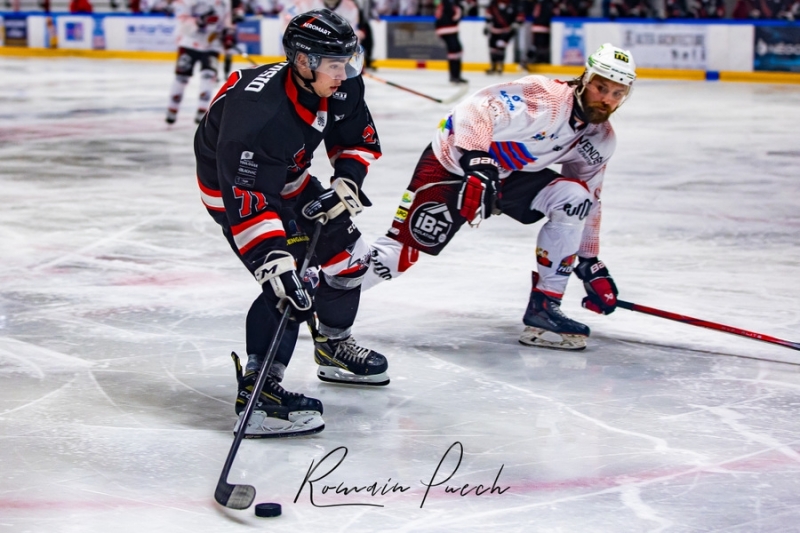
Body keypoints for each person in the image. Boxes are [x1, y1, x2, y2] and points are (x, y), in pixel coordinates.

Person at [363, 43, 637, 351]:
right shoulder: (544, 99)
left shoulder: (599, 138)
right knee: (397, 257)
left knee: (574, 198)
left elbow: (591, 199)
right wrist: (477, 160)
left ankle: (545, 307)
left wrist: (589, 262)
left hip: (509, 174)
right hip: (454, 161)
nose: (606, 100)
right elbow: (476, 108)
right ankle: (325, 292)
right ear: (586, 79)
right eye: (601, 88)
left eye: (617, 94)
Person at [194, 8, 389, 438]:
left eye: (348, 61)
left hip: (291, 179)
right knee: (290, 284)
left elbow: (355, 138)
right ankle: (261, 391)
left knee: (351, 261)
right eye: (336, 65)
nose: (346, 73)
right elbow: (249, 199)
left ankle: (334, 347)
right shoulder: (257, 117)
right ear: (303, 62)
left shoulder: (338, 83)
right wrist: (272, 259)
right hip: (236, 195)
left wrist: (347, 182)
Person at [165, 0, 233, 125]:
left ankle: (202, 110)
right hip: (189, 42)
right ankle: (172, 108)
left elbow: (226, 20)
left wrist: (228, 33)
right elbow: (182, 20)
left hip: (212, 44)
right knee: (182, 77)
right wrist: (200, 21)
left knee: (208, 76)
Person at [484, 0, 524, 75]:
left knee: (501, 46)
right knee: (492, 48)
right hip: (494, 30)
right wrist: (487, 26)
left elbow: (520, 17)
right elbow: (489, 14)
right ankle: (493, 66)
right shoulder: (494, 3)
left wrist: (514, 26)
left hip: (506, 30)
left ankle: (500, 66)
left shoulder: (514, 4)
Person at [435, 0, 468, 84]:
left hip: (449, 29)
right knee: (454, 51)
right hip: (447, 29)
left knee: (456, 51)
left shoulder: (448, 3)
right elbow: (455, 16)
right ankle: (454, 76)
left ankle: (456, 76)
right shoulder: (449, 4)